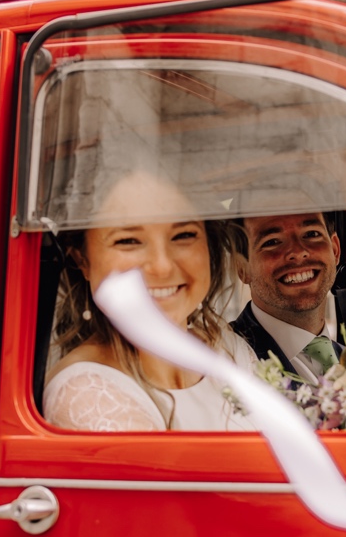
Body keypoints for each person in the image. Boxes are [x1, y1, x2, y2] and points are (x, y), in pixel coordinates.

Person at [43, 171, 256, 432]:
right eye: (128, 241)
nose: (163, 266)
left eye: (183, 235)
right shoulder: (87, 394)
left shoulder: (231, 351)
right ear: (82, 259)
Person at [232, 212, 344, 385]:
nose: (298, 252)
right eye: (272, 242)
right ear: (242, 268)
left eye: (311, 234)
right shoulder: (224, 365)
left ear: (335, 250)